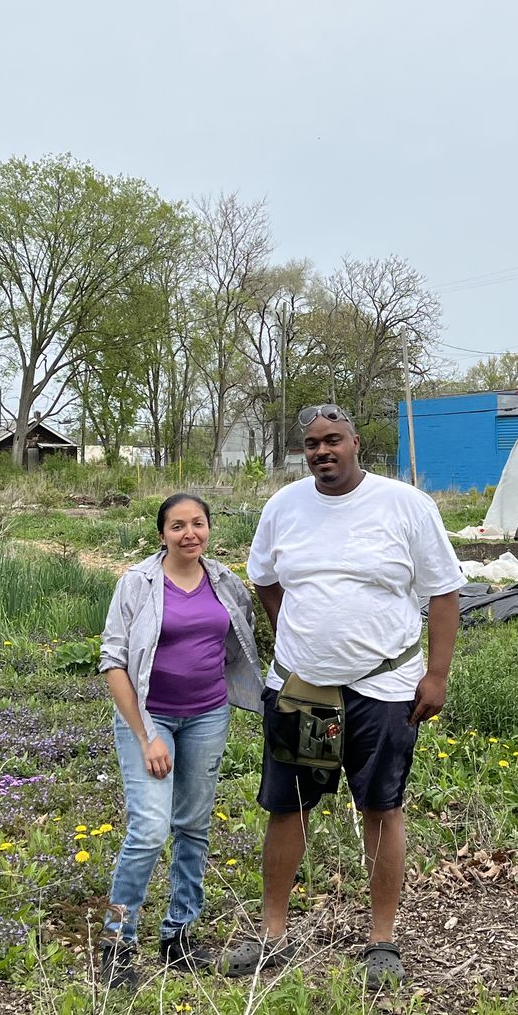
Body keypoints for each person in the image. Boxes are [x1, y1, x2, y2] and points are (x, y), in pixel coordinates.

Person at [221, 404, 463, 990]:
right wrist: (298, 639)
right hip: (301, 689)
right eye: (311, 444)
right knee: (289, 807)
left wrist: (436, 674)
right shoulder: (284, 507)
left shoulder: (406, 506)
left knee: (380, 806)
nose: (322, 451)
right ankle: (272, 933)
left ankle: (382, 940)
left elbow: (445, 591)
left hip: (383, 688)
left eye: (333, 440)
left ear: (356, 443)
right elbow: (265, 579)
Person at [96, 492, 265, 988]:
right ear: (162, 533)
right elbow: (113, 661)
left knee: (192, 825)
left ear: (209, 528)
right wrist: (148, 735)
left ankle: (178, 935)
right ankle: (117, 943)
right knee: (149, 829)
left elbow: (240, 642)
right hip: (149, 719)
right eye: (177, 526)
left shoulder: (226, 582)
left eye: (198, 524)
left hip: (208, 715)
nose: (189, 533)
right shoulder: (137, 583)